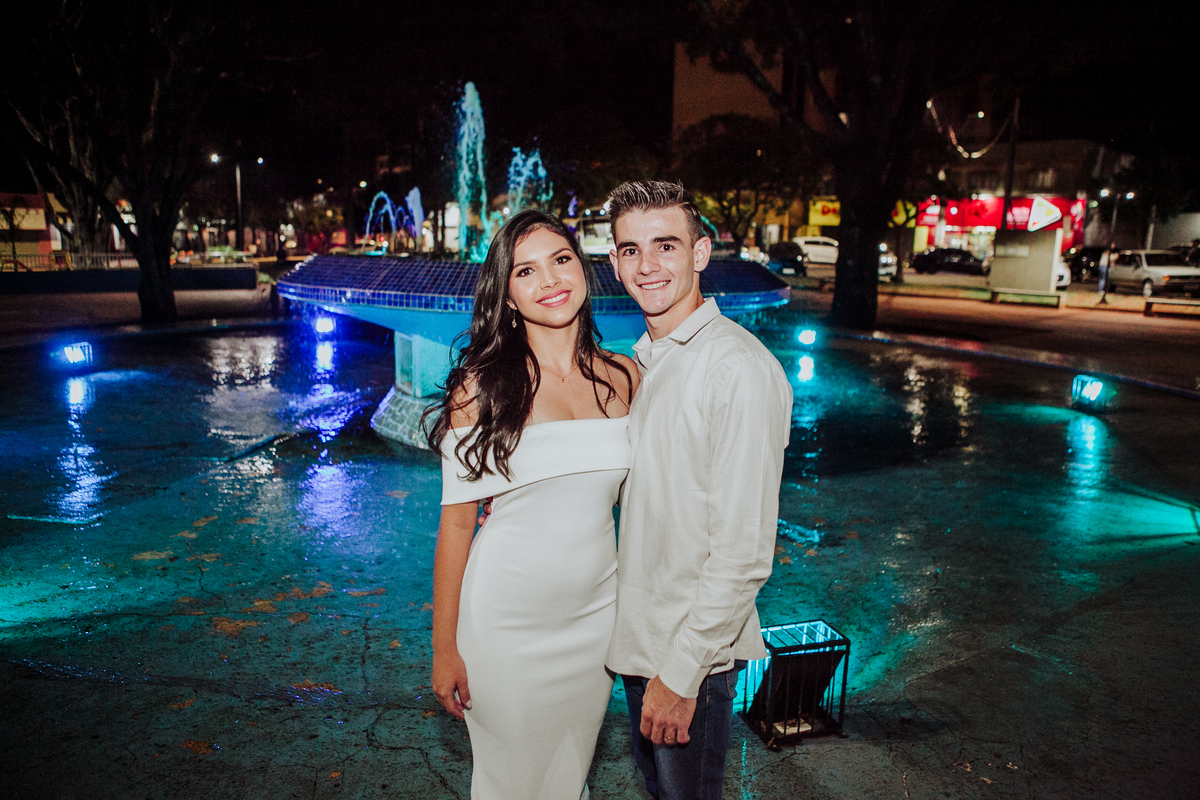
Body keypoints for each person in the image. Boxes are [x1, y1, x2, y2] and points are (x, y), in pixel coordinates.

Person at [426, 209, 638, 799]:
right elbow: (458, 524)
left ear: (584, 269)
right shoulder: (481, 387)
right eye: (526, 271)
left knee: (568, 778)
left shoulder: (625, 377)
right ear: (507, 295)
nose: (550, 279)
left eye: (561, 259)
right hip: (506, 625)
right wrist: (445, 648)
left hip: (595, 623)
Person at [604, 181, 792, 799]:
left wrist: (682, 674)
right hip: (644, 643)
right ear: (614, 263)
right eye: (630, 250)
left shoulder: (736, 369)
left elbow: (744, 551)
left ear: (701, 253)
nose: (647, 266)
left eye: (666, 245)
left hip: (689, 658)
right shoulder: (648, 362)